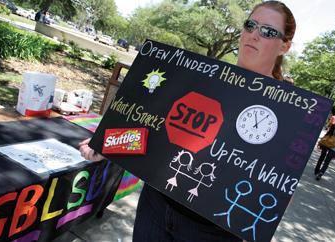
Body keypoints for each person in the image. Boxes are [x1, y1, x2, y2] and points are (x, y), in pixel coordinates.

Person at [79, 1, 296, 241]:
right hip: (155, 204)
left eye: (267, 31)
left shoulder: (288, 112)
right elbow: (154, 126)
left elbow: (276, 187)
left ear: (284, 45)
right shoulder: (202, 77)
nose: (254, 35)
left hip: (212, 232)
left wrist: (280, 192)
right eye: (250, 25)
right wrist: (107, 144)